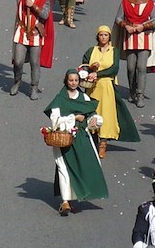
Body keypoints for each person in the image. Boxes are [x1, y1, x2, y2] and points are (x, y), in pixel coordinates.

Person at [43, 69, 108, 216]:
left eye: (76, 80)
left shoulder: (84, 98)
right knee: (64, 169)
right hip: (63, 139)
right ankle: (65, 201)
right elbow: (55, 120)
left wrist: (94, 121)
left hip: (80, 139)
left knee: (79, 168)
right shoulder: (59, 99)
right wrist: (74, 118)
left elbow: (92, 116)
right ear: (66, 81)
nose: (73, 83)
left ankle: (72, 198)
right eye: (71, 80)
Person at [82, 25, 140, 158]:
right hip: (92, 88)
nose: (103, 37)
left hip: (107, 87)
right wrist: (91, 69)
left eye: (106, 35)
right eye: (101, 35)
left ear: (109, 37)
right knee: (92, 114)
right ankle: (92, 142)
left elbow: (114, 69)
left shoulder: (114, 51)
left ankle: (103, 144)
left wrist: (98, 74)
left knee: (106, 115)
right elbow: (84, 67)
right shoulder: (91, 51)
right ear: (98, 36)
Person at [114, 0, 155, 107]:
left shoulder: (150, 3)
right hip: (129, 39)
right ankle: (132, 91)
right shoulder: (125, 2)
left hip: (144, 39)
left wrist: (144, 26)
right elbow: (118, 18)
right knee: (130, 68)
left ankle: (140, 95)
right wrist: (126, 25)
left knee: (141, 67)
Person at [11, 0, 54, 100]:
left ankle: (34, 86)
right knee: (18, 61)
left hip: (36, 33)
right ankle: (17, 81)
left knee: (35, 62)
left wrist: (33, 6)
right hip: (22, 32)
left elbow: (45, 15)